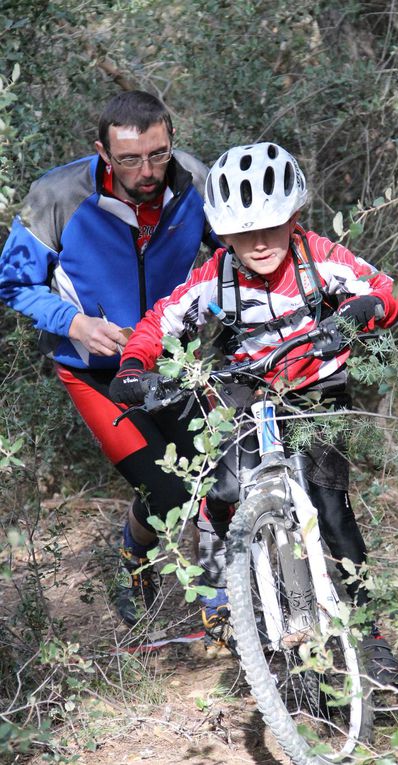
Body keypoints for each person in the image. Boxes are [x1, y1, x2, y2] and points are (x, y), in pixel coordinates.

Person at [109, 141, 398, 681]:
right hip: (243, 392)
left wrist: (362, 312)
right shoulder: (215, 277)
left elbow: (391, 292)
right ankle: (223, 583)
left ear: (294, 219)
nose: (258, 243)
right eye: (243, 233)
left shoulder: (320, 257)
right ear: (222, 233)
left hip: (314, 389)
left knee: (335, 516)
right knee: (223, 493)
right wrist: (134, 368)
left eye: (271, 228)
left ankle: (371, 633)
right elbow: (160, 320)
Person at [0, 90, 218, 626]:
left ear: (171, 141)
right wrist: (74, 323)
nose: (147, 171)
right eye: (129, 159)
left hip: (173, 361)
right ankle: (131, 555)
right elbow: (11, 282)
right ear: (102, 150)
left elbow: (233, 249)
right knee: (168, 493)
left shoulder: (193, 180)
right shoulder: (57, 196)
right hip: (95, 374)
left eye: (158, 153)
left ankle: (223, 599)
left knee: (216, 479)